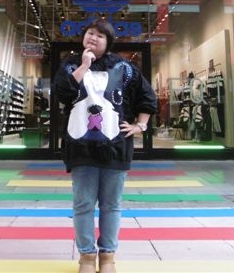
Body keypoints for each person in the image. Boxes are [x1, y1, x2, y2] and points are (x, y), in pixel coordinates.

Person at [54, 19, 157, 273]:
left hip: (116, 146)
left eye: (100, 35)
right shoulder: (70, 64)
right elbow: (61, 93)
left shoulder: (124, 67)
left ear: (108, 42)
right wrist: (84, 66)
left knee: (111, 205)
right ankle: (87, 257)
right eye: (90, 33)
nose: (93, 37)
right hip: (80, 146)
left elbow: (147, 96)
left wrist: (140, 126)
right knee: (83, 205)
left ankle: (108, 257)